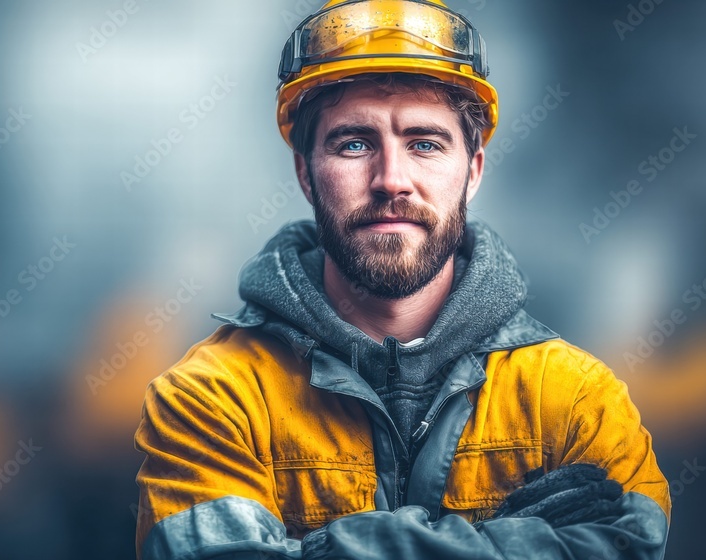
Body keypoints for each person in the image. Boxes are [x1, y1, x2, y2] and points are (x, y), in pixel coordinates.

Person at [134, 1, 671, 558]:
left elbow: (633, 546)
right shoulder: (211, 396)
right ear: (305, 175)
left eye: (425, 144)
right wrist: (511, 545)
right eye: (354, 144)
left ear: (473, 173)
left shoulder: (575, 399)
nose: (392, 180)